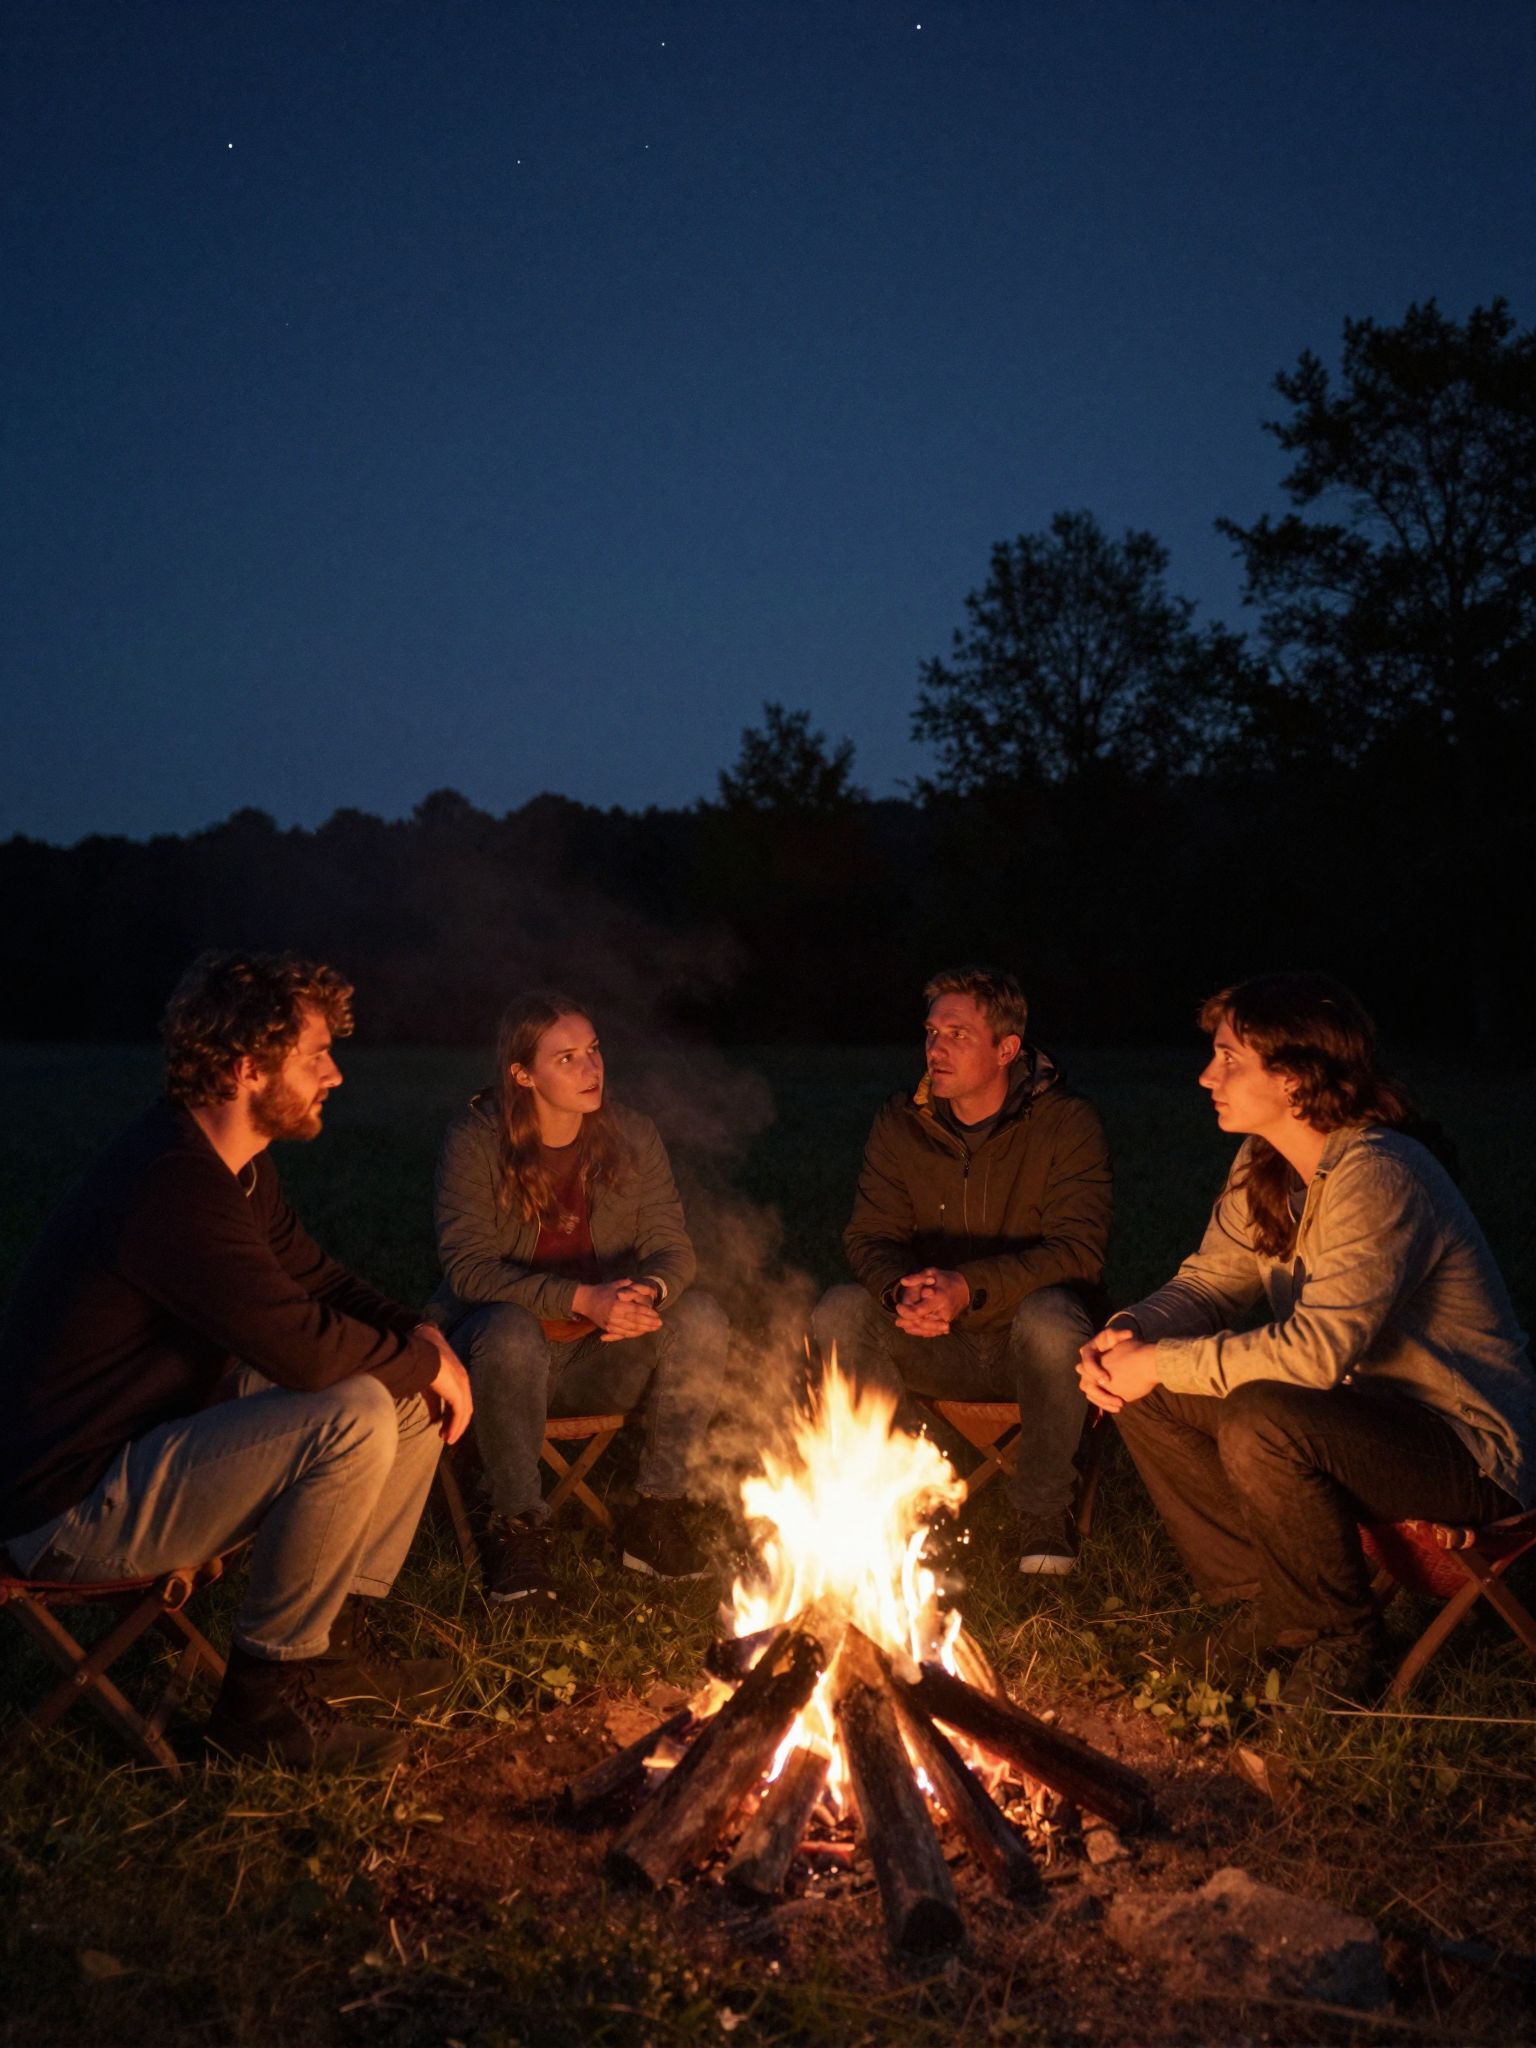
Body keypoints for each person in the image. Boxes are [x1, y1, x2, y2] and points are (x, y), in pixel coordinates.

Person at [0, 952, 473, 1770]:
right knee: (356, 1410)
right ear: (248, 1068)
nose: (335, 1075)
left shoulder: (236, 1171)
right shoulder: (172, 1185)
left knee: (400, 1395)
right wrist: (419, 1360)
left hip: (150, 1439)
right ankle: (260, 1708)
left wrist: (422, 1341)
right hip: (68, 1505)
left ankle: (332, 1648)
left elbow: (319, 1280)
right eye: (315, 1056)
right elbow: (302, 1348)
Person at [1077, 971, 1536, 1705]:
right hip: (1360, 1421)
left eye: (1229, 1059)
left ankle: (1340, 1640)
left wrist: (1158, 1359)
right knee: (1150, 1393)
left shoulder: (1379, 1174)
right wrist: (1131, 1334)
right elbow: (1210, 1283)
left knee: (1263, 1417)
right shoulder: (1266, 1163)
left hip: (1466, 1451)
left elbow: (1316, 1354)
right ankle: (1266, 1604)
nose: (1206, 1076)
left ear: (1293, 1080)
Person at [429, 993, 728, 1603]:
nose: (591, 1068)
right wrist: (583, 1298)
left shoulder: (632, 1135)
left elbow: (673, 1250)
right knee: (511, 1330)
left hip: (600, 1355)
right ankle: (518, 1527)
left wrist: (646, 1292)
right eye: (565, 1058)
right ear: (522, 1075)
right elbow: (468, 1270)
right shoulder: (477, 1140)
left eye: (593, 1050)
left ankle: (656, 1517)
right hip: (502, 1362)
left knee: (700, 1316)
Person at [812, 965, 1112, 1573]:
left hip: (1029, 1350)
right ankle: (899, 1503)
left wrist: (967, 1287)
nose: (936, 1048)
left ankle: (1043, 1515)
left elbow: (1078, 1251)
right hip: (934, 1340)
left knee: (1053, 1317)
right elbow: (871, 1235)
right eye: (931, 1032)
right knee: (840, 1310)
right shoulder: (902, 1122)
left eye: (957, 1035)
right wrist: (900, 1291)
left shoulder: (1065, 1123)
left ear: (1006, 1049)